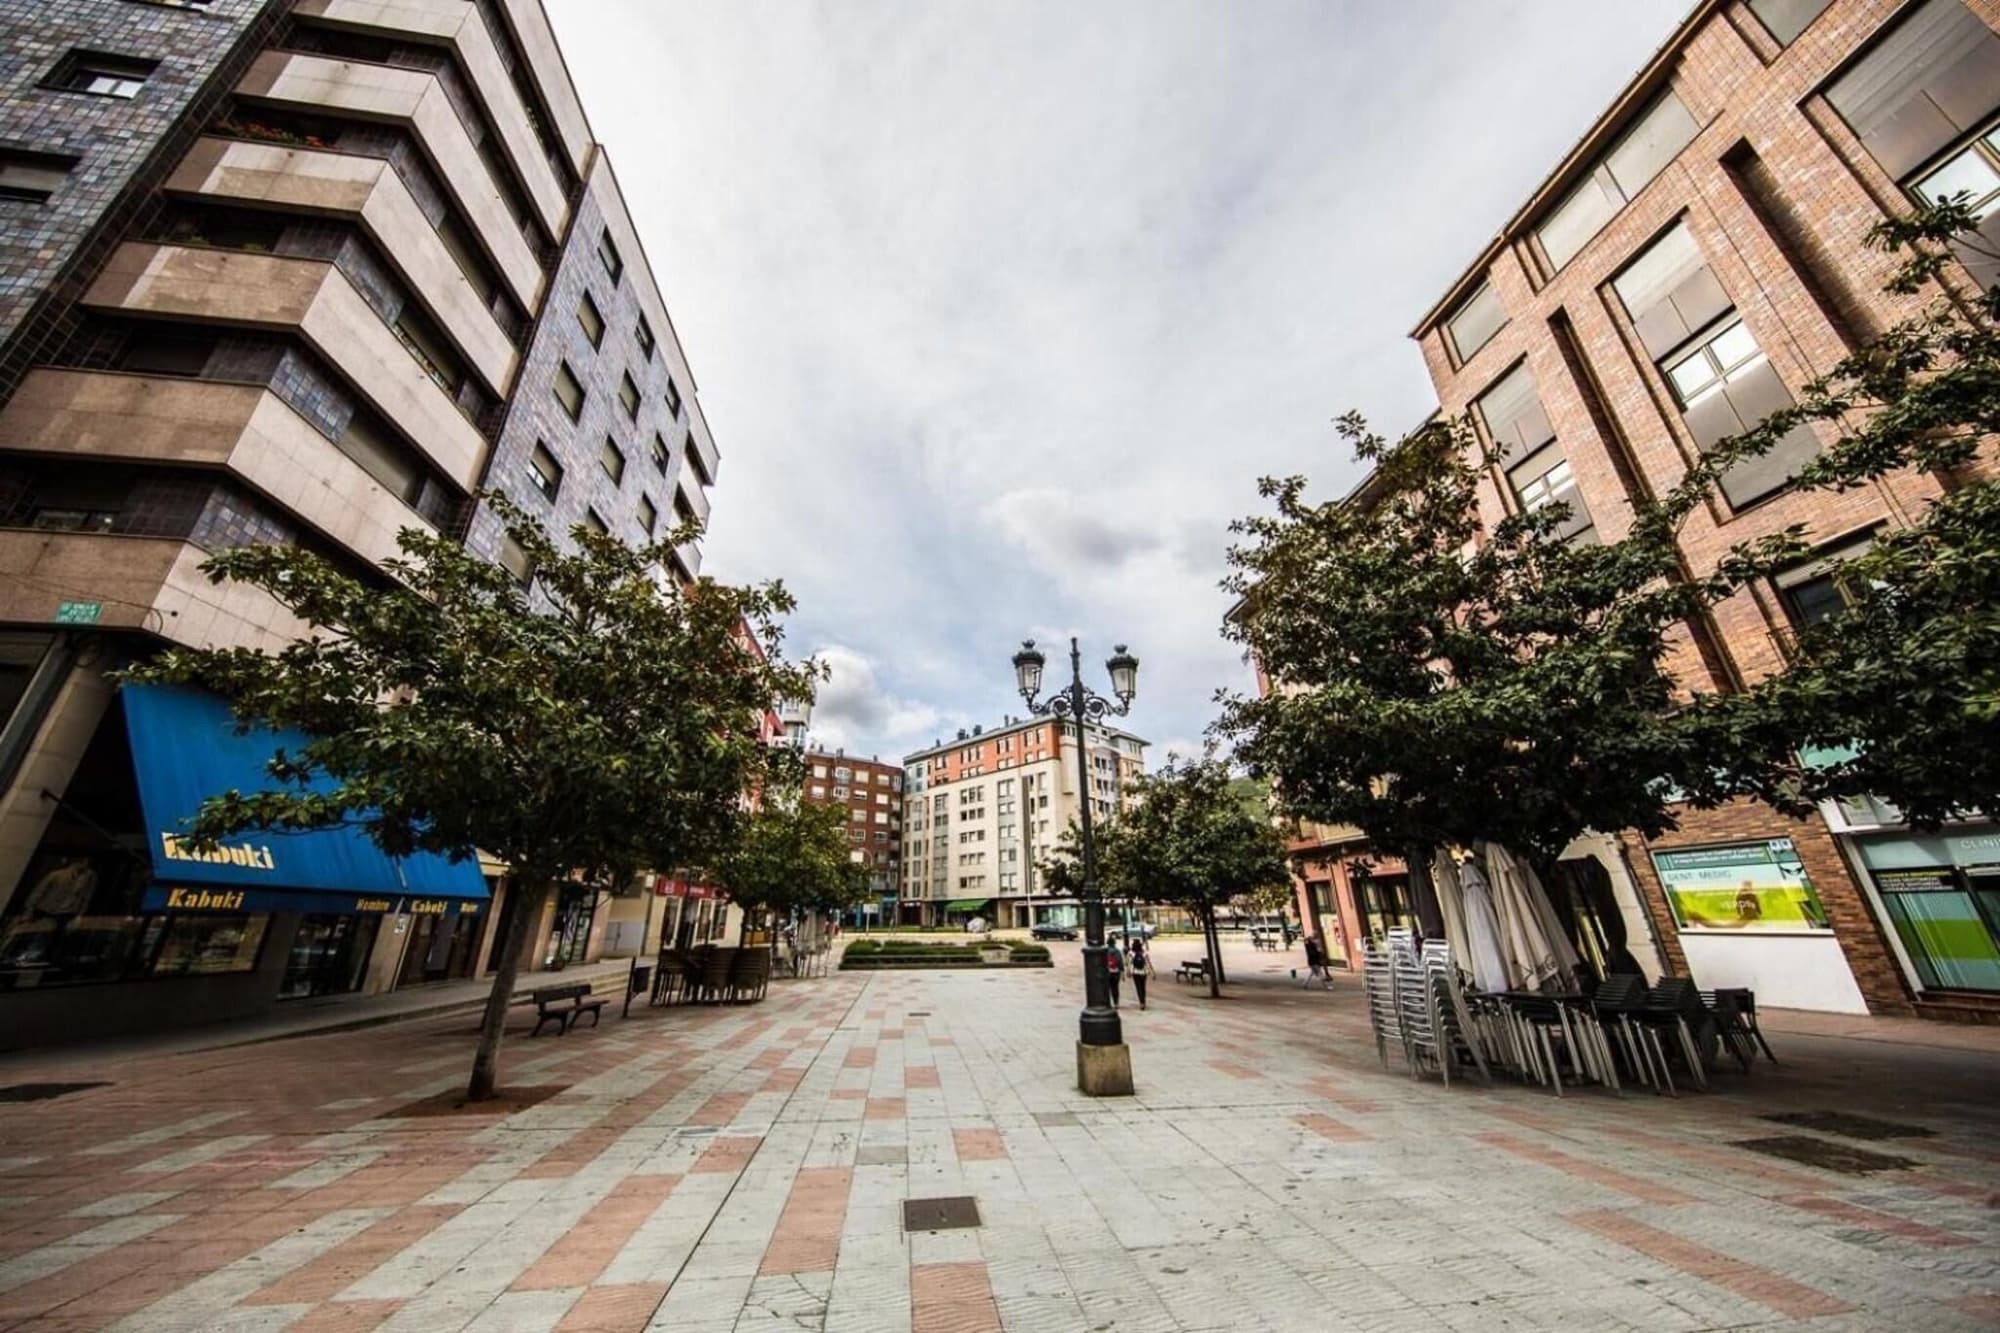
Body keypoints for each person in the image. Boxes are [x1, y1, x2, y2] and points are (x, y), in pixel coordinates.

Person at [1128, 937, 1151, 1010]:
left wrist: (1128, 971)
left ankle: (1141, 1003)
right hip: (1143, 972)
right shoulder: (1144, 953)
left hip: (1135, 972)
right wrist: (1151, 971)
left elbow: (1128, 963)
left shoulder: (1131, 953)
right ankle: (1143, 1001)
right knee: (1143, 987)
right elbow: (1148, 963)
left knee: (1138, 988)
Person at [1104, 939, 1124, 1008]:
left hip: (1108, 971)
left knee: (1107, 988)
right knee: (1115, 988)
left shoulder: (1105, 951)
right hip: (1116, 971)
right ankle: (1116, 1003)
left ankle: (1107, 1003)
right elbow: (1120, 962)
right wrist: (1122, 972)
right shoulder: (1117, 951)